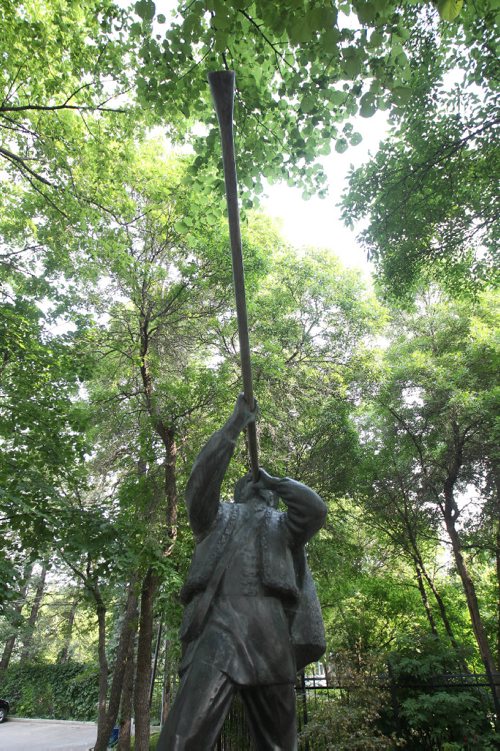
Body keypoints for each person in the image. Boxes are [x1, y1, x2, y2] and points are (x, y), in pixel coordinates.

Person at [156, 394, 327, 751]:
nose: (256, 485)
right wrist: (235, 425)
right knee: (185, 734)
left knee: (279, 743)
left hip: (271, 634)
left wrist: (277, 481)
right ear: (237, 492)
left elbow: (315, 512)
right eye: (250, 482)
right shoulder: (216, 518)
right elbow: (199, 486)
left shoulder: (285, 527)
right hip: (218, 629)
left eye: (262, 486)